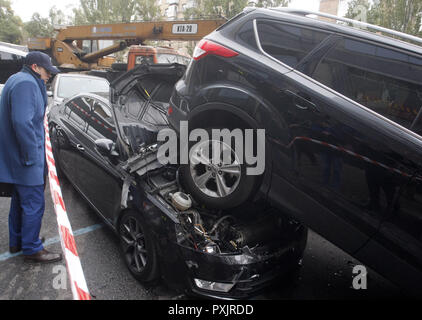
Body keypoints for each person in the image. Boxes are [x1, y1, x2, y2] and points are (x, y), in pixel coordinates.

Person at [0, 51, 62, 263]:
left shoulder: (16, 79)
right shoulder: (26, 84)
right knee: (34, 204)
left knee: (19, 203)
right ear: (35, 67)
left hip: (15, 159)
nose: (49, 76)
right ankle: (32, 248)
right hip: (25, 160)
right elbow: (22, 123)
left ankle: (19, 241)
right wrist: (31, 155)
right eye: (47, 71)